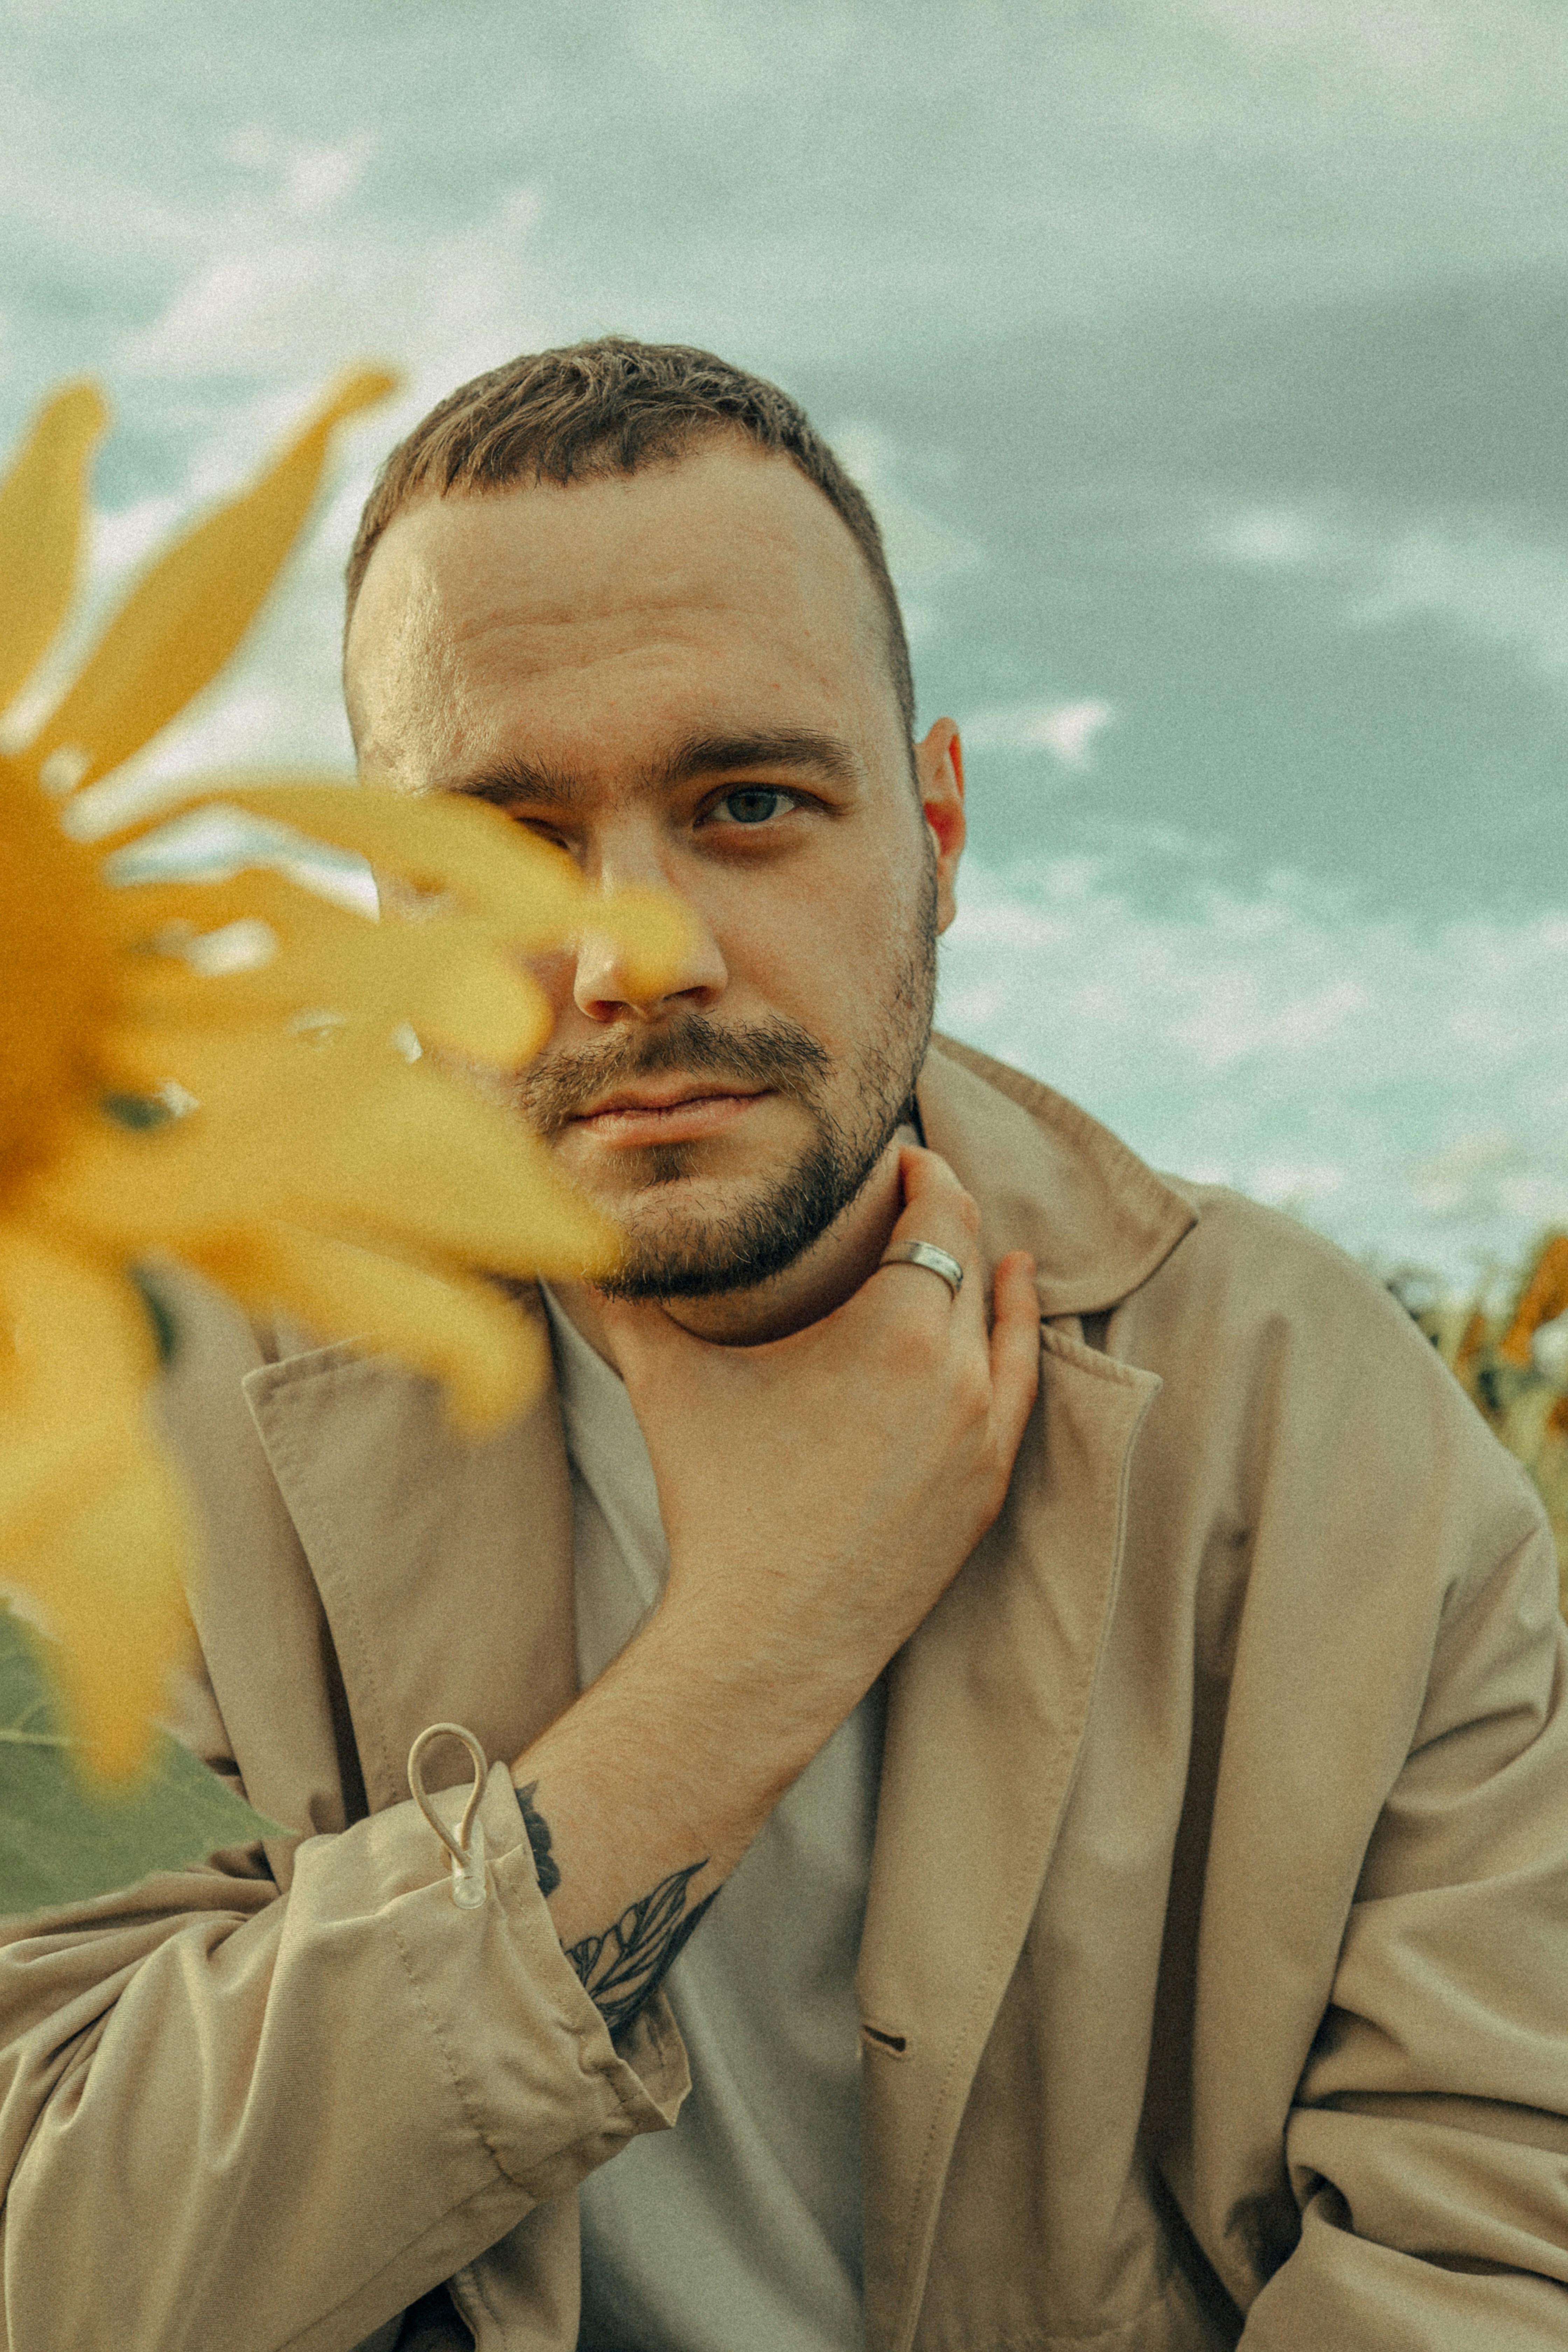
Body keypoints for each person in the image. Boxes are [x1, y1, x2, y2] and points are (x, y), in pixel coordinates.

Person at [2, 340, 1566, 2352]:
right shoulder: (126, 1421)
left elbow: (1496, 2252)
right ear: (391, 903)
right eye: (510, 841)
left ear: (936, 831)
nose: (637, 951)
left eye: (749, 803)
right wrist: (750, 1654)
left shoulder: (1319, 1430)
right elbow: (53, 2257)